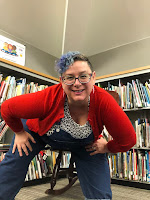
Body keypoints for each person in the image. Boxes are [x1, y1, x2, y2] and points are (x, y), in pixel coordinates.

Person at [0, 51, 136, 200]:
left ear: (93, 77)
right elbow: (7, 108)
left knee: (100, 195)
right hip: (37, 133)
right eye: (70, 78)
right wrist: (19, 132)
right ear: (62, 81)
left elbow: (128, 140)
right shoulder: (48, 97)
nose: (77, 83)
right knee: (12, 165)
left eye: (83, 76)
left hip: (86, 144)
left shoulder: (104, 101)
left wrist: (107, 147)